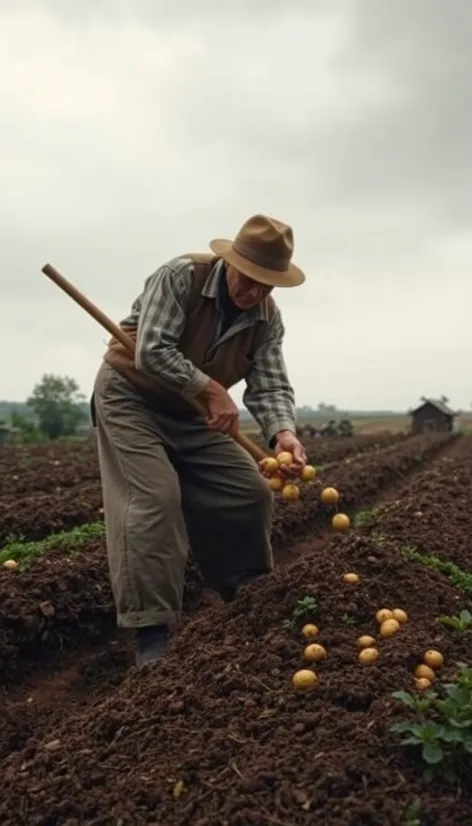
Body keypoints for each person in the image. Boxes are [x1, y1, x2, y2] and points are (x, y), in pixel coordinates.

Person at [92, 213, 307, 667]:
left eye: (266, 286)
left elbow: (269, 384)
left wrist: (283, 434)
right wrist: (211, 390)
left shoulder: (265, 318)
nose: (254, 293)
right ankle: (151, 630)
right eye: (249, 280)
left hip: (195, 414)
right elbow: (152, 351)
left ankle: (243, 591)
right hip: (134, 398)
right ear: (230, 262)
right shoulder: (182, 277)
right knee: (154, 498)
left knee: (248, 491)